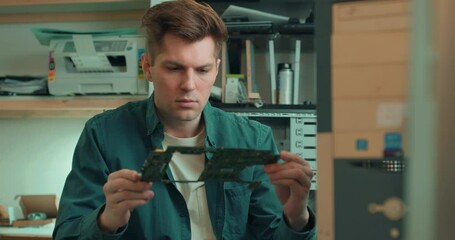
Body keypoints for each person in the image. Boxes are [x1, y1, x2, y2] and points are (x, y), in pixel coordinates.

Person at [53, 0, 316, 239]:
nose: (189, 85)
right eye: (174, 68)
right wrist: (107, 220)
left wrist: (297, 216)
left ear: (216, 70)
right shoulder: (104, 136)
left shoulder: (252, 140)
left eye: (202, 70)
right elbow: (66, 234)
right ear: (148, 68)